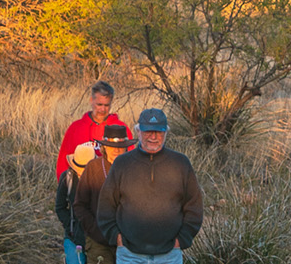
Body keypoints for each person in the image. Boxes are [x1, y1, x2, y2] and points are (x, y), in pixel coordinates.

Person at [99, 108, 204, 264]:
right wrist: (117, 238)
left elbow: (194, 206)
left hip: (169, 255)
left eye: (159, 132)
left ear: (166, 133)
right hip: (129, 255)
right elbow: (106, 206)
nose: (153, 137)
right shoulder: (122, 164)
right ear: (138, 131)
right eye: (148, 131)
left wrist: (181, 240)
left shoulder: (180, 163)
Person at [75, 124, 135, 264]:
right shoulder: (93, 168)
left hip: (129, 241)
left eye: (120, 146)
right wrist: (95, 230)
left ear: (126, 147)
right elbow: (80, 205)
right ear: (104, 147)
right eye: (111, 145)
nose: (116, 150)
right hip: (98, 241)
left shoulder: (134, 168)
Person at [57, 82, 130, 178]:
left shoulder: (120, 128)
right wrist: (65, 185)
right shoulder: (76, 128)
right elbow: (64, 161)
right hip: (81, 184)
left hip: (111, 183)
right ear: (91, 100)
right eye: (99, 104)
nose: (102, 109)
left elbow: (129, 161)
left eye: (106, 105)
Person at [56, 143, 95, 264]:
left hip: (96, 238)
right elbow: (60, 207)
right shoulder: (67, 178)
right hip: (73, 236)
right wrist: (70, 226)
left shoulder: (100, 179)